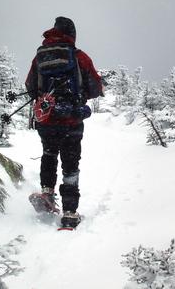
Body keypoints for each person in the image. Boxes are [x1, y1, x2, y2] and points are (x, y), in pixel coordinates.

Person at [25, 16, 103, 228]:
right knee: (70, 164)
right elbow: (96, 88)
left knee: (49, 154)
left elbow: (30, 86)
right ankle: (69, 211)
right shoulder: (79, 57)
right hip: (72, 120)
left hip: (47, 120)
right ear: (72, 34)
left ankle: (47, 193)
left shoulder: (40, 57)